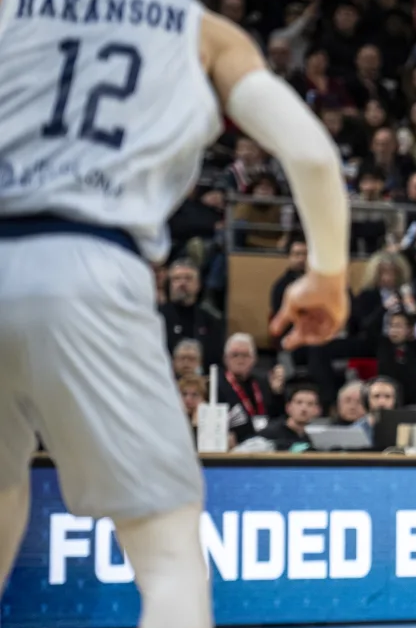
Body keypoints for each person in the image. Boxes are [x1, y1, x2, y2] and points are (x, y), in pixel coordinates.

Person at [0, 7, 350, 628]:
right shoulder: (200, 31)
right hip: (92, 262)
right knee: (169, 559)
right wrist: (326, 274)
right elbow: (313, 155)